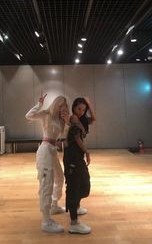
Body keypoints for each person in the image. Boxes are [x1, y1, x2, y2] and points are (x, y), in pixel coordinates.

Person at [25, 93, 70, 233]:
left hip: (53, 151)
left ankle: (54, 205)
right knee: (47, 184)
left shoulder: (62, 120)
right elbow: (29, 116)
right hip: (45, 151)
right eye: (60, 105)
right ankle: (46, 221)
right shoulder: (46, 115)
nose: (62, 108)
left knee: (60, 178)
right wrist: (39, 105)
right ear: (56, 104)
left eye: (64, 106)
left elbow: (67, 136)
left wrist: (67, 121)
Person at [64, 97, 96, 234]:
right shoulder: (74, 120)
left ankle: (75, 206)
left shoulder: (82, 120)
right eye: (79, 109)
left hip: (78, 157)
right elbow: (77, 138)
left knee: (84, 185)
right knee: (74, 187)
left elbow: (93, 118)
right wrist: (87, 152)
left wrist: (89, 104)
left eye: (84, 109)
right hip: (72, 158)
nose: (81, 112)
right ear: (73, 108)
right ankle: (74, 223)